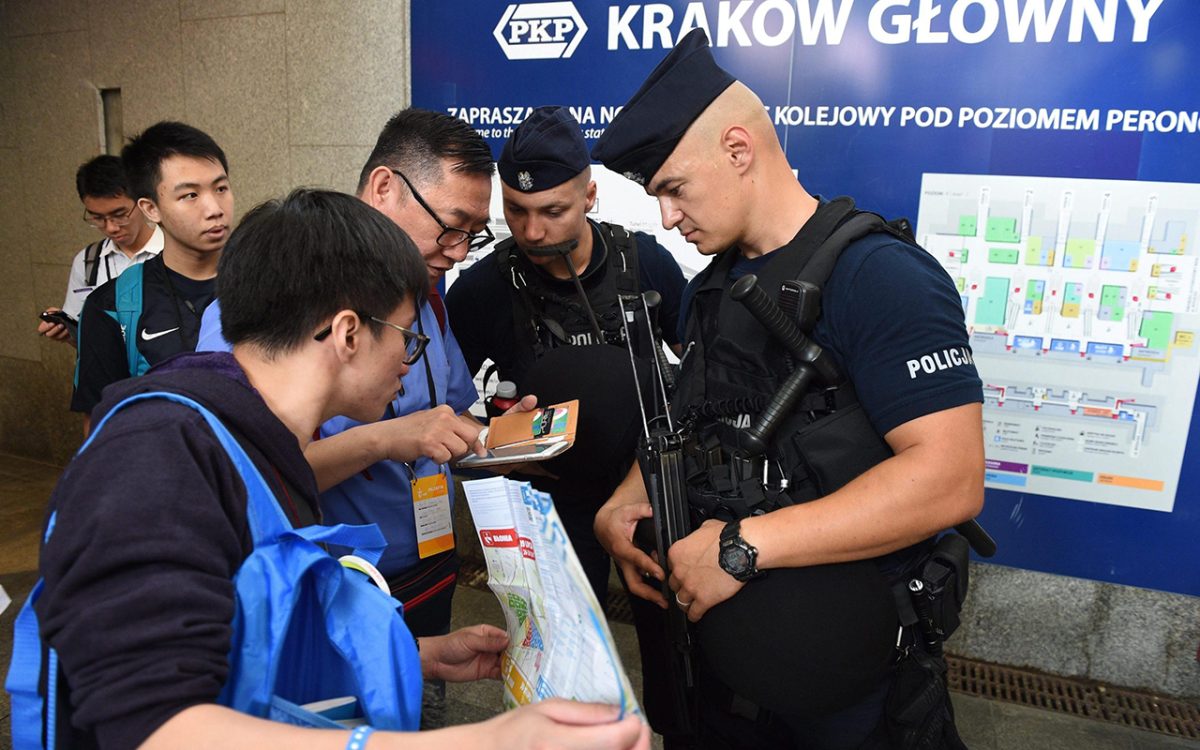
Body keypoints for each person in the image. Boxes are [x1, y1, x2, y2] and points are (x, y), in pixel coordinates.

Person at [28, 188, 649, 750]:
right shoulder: (157, 452)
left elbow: (250, 641)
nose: (410, 362)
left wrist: (417, 654)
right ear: (349, 333)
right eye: (407, 336)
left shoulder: (254, 445)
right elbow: (159, 726)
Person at [589, 30, 984, 748]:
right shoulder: (710, 289)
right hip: (726, 686)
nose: (668, 219)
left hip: (851, 697)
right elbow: (699, 422)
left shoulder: (881, 278)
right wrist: (631, 492)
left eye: (674, 190)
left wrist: (743, 548)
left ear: (739, 150)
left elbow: (950, 478)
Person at [196, 109, 517, 728]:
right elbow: (251, 479)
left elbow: (447, 410)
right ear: (384, 188)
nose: (457, 252)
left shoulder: (428, 295)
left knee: (409, 709)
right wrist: (385, 439)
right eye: (451, 227)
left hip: (423, 567)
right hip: (332, 583)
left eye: (474, 235)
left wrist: (500, 436)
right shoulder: (259, 331)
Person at [445, 105, 686, 604]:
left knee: (671, 641)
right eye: (515, 209)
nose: (532, 232)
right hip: (545, 505)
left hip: (649, 490)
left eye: (552, 211)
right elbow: (440, 414)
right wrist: (501, 444)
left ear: (589, 196)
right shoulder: (482, 288)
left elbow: (704, 378)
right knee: (560, 657)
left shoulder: (646, 264)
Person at [71, 122, 231, 430]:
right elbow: (100, 421)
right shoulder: (112, 306)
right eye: (190, 195)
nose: (214, 208)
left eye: (221, 188)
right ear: (150, 208)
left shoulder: (269, 283)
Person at [37, 155, 163, 344]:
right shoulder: (88, 262)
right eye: (98, 218)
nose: (111, 227)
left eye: (119, 215)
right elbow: (86, 343)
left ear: (143, 203)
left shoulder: (175, 252)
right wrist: (68, 333)